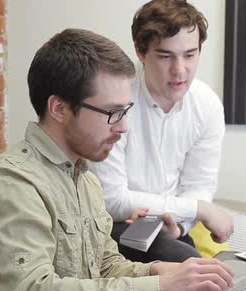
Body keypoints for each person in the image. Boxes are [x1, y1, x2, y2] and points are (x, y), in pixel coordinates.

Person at [0, 28, 234, 291]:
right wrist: (158, 290)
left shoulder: (85, 178)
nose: (124, 128)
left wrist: (158, 272)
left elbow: (105, 266)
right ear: (60, 108)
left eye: (126, 111)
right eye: (112, 113)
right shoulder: (14, 184)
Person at [92, 0, 234, 262]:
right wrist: (200, 210)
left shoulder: (207, 105)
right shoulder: (114, 100)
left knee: (203, 267)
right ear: (140, 51)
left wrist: (180, 226)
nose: (180, 70)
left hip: (172, 228)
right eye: (166, 56)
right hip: (115, 226)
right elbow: (112, 199)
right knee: (186, 262)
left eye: (190, 55)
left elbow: (198, 186)